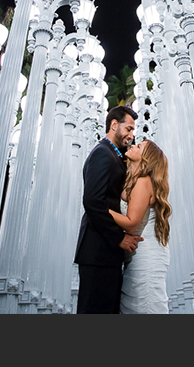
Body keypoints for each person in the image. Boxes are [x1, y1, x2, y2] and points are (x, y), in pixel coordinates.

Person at [74, 105, 141, 314]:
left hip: (106, 255)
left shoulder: (114, 155)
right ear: (114, 125)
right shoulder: (102, 153)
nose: (131, 135)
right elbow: (93, 201)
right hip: (98, 253)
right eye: (128, 129)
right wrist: (118, 238)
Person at [108, 139, 172, 314]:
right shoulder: (134, 179)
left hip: (147, 254)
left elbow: (131, 223)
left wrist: (102, 210)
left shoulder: (143, 181)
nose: (133, 145)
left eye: (139, 147)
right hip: (135, 254)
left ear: (146, 158)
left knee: (146, 305)